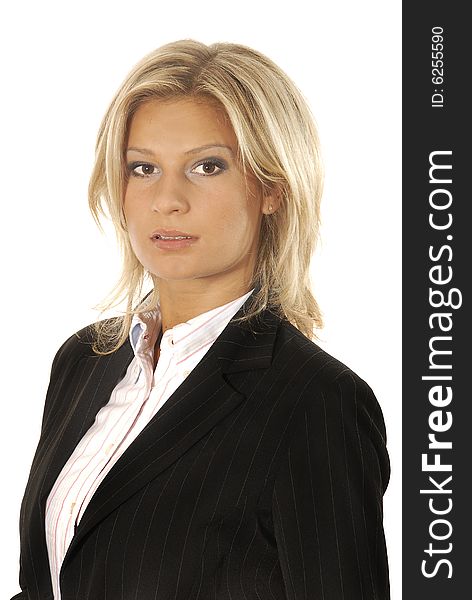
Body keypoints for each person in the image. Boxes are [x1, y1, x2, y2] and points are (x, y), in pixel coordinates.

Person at [12, 39, 390, 599]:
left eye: (206, 167)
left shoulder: (317, 402)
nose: (167, 199)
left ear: (271, 187)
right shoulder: (84, 361)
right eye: (143, 168)